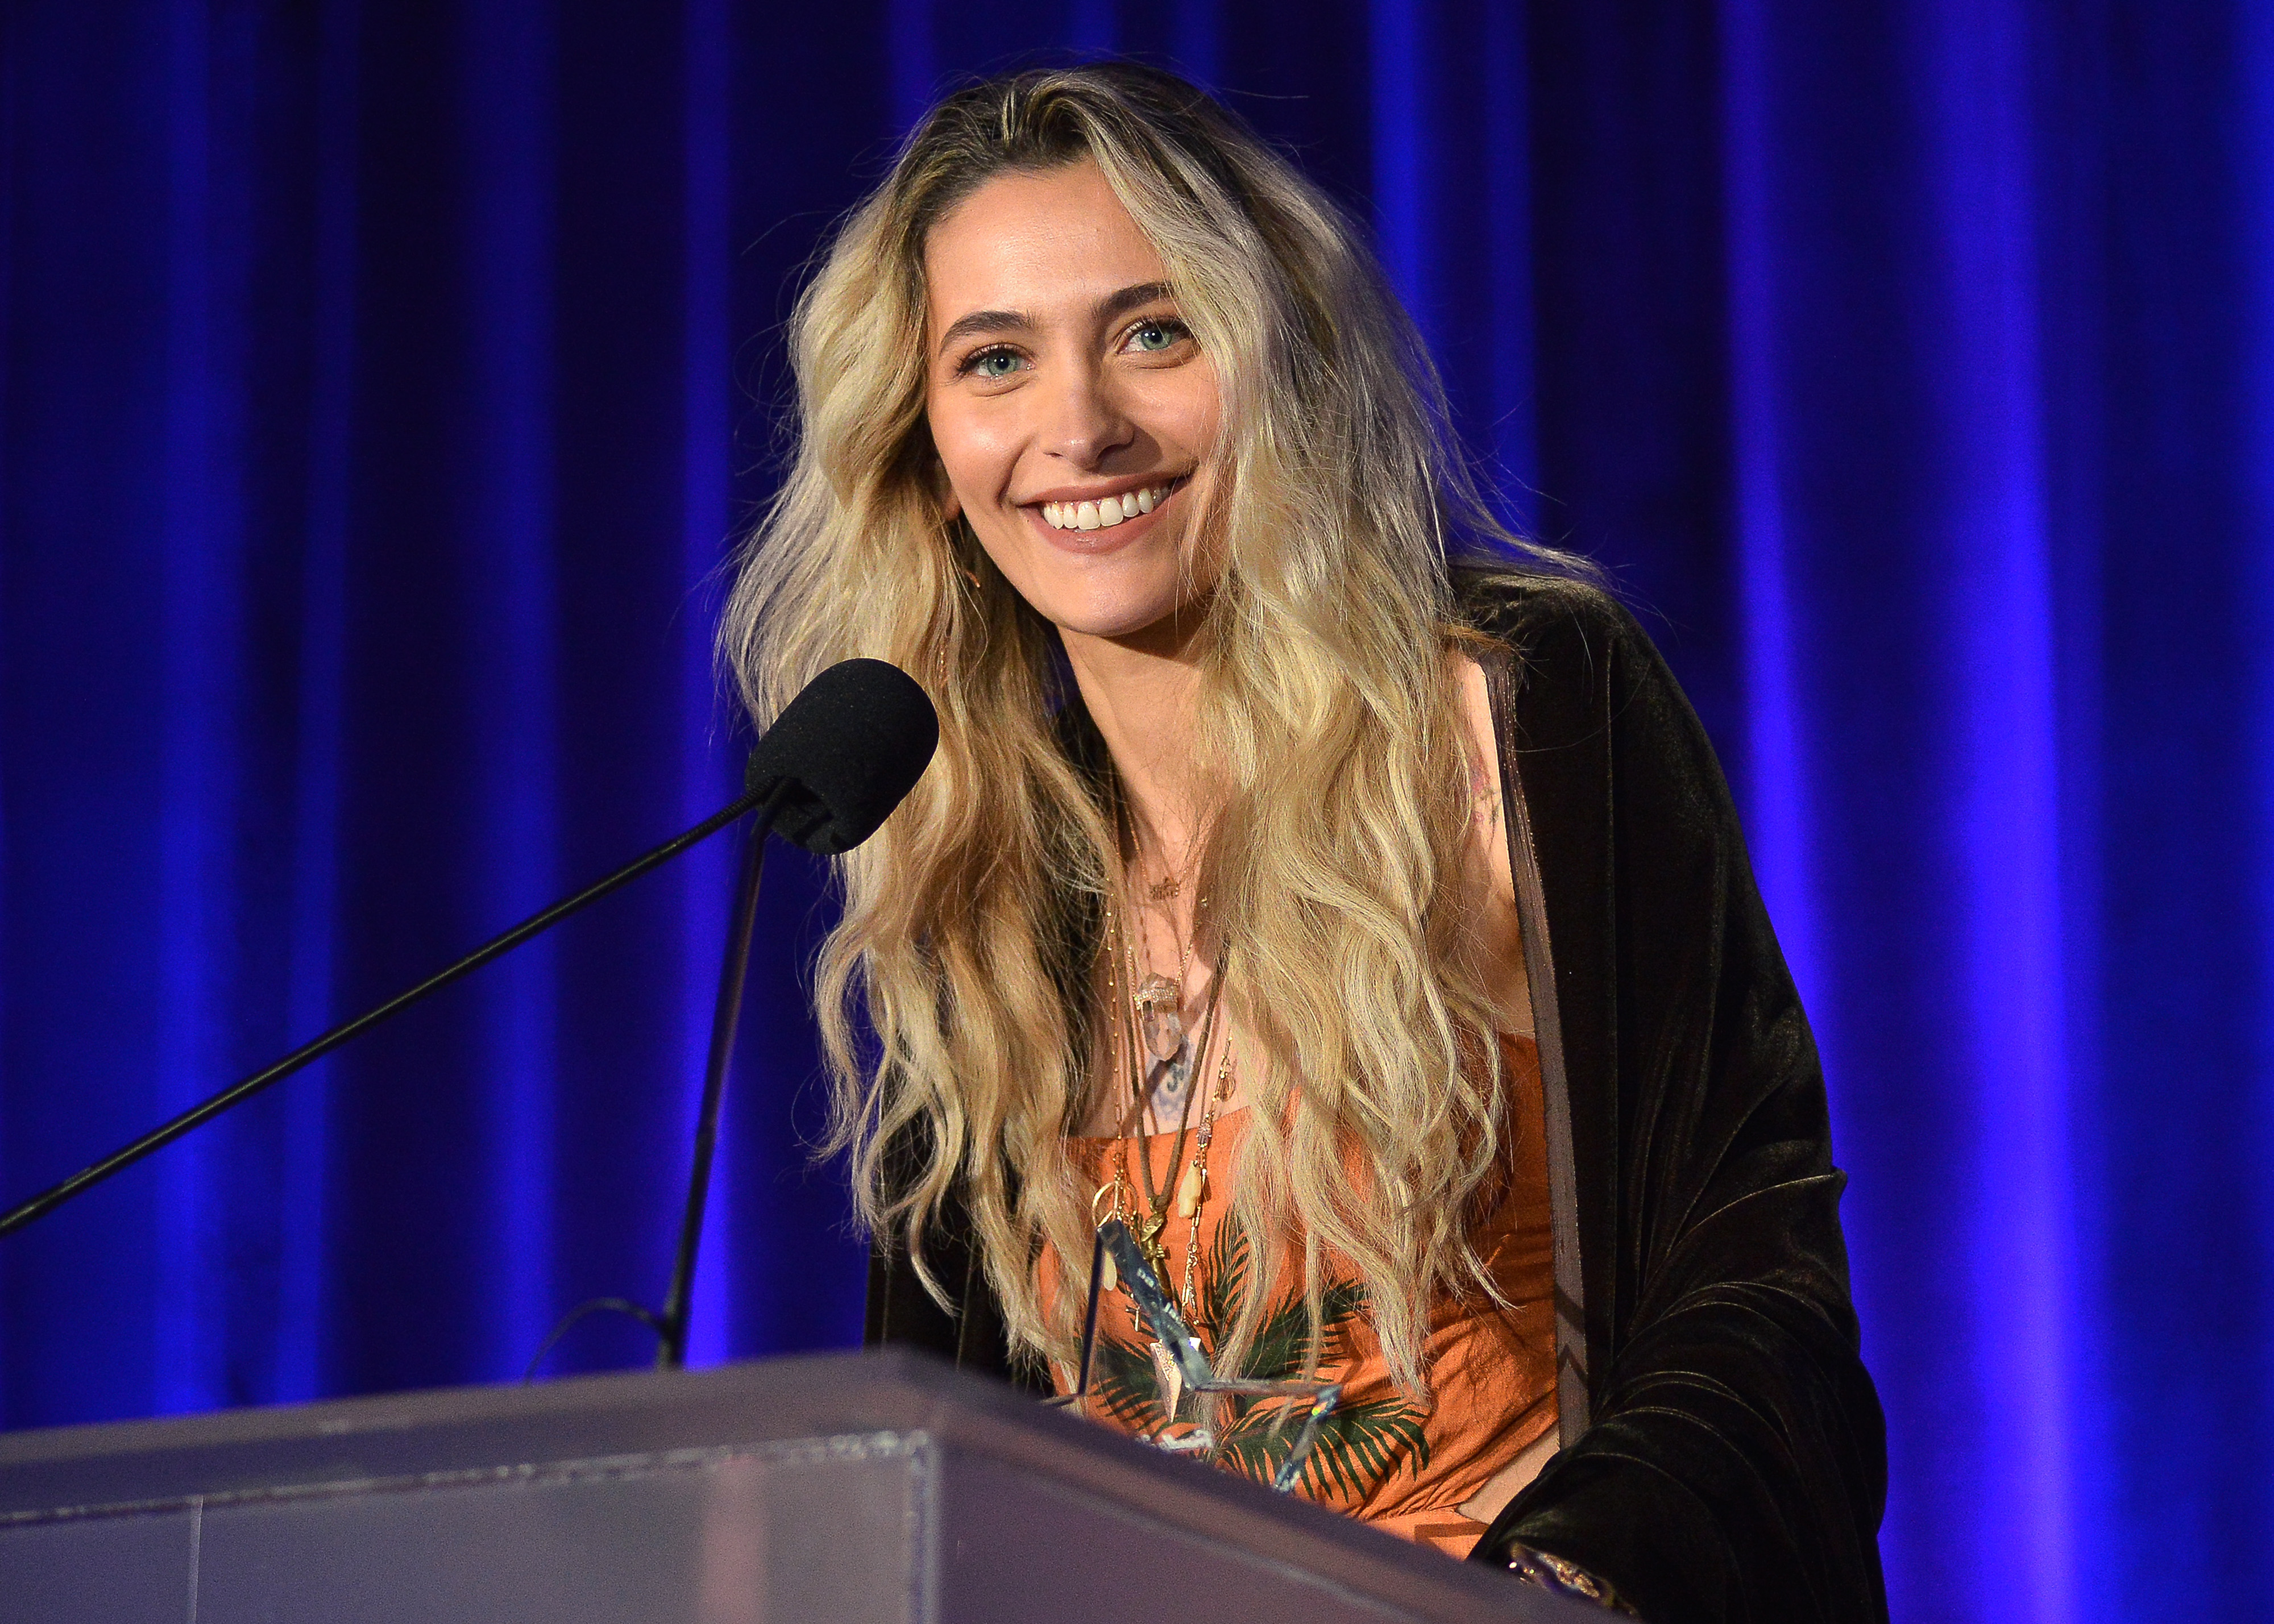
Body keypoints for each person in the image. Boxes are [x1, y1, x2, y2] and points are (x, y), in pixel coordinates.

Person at [720, 60, 1887, 1623]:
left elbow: (1755, 1277)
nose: (1080, 423)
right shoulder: (974, 861)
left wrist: (1563, 1582)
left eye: (1154, 332)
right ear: (927, 452)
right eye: (994, 360)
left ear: (1274, 368)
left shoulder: (1517, 714)